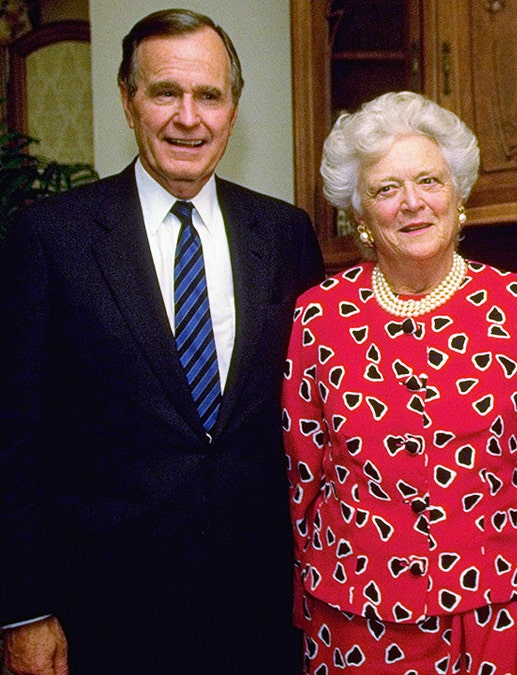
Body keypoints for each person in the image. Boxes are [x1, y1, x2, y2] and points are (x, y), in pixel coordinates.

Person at [0, 8, 325, 674]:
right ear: (128, 101)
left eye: (209, 95)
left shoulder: (285, 234)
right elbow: (15, 436)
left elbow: (312, 419)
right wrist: (24, 609)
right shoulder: (50, 239)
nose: (189, 116)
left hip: (259, 614)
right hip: (108, 617)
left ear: (233, 109)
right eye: (164, 92)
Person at [284, 91, 517, 675]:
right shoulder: (318, 317)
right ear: (361, 215)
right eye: (386, 189)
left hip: (497, 622)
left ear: (458, 195)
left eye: (429, 181)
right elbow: (304, 478)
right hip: (353, 620)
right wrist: (304, 608)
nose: (412, 204)